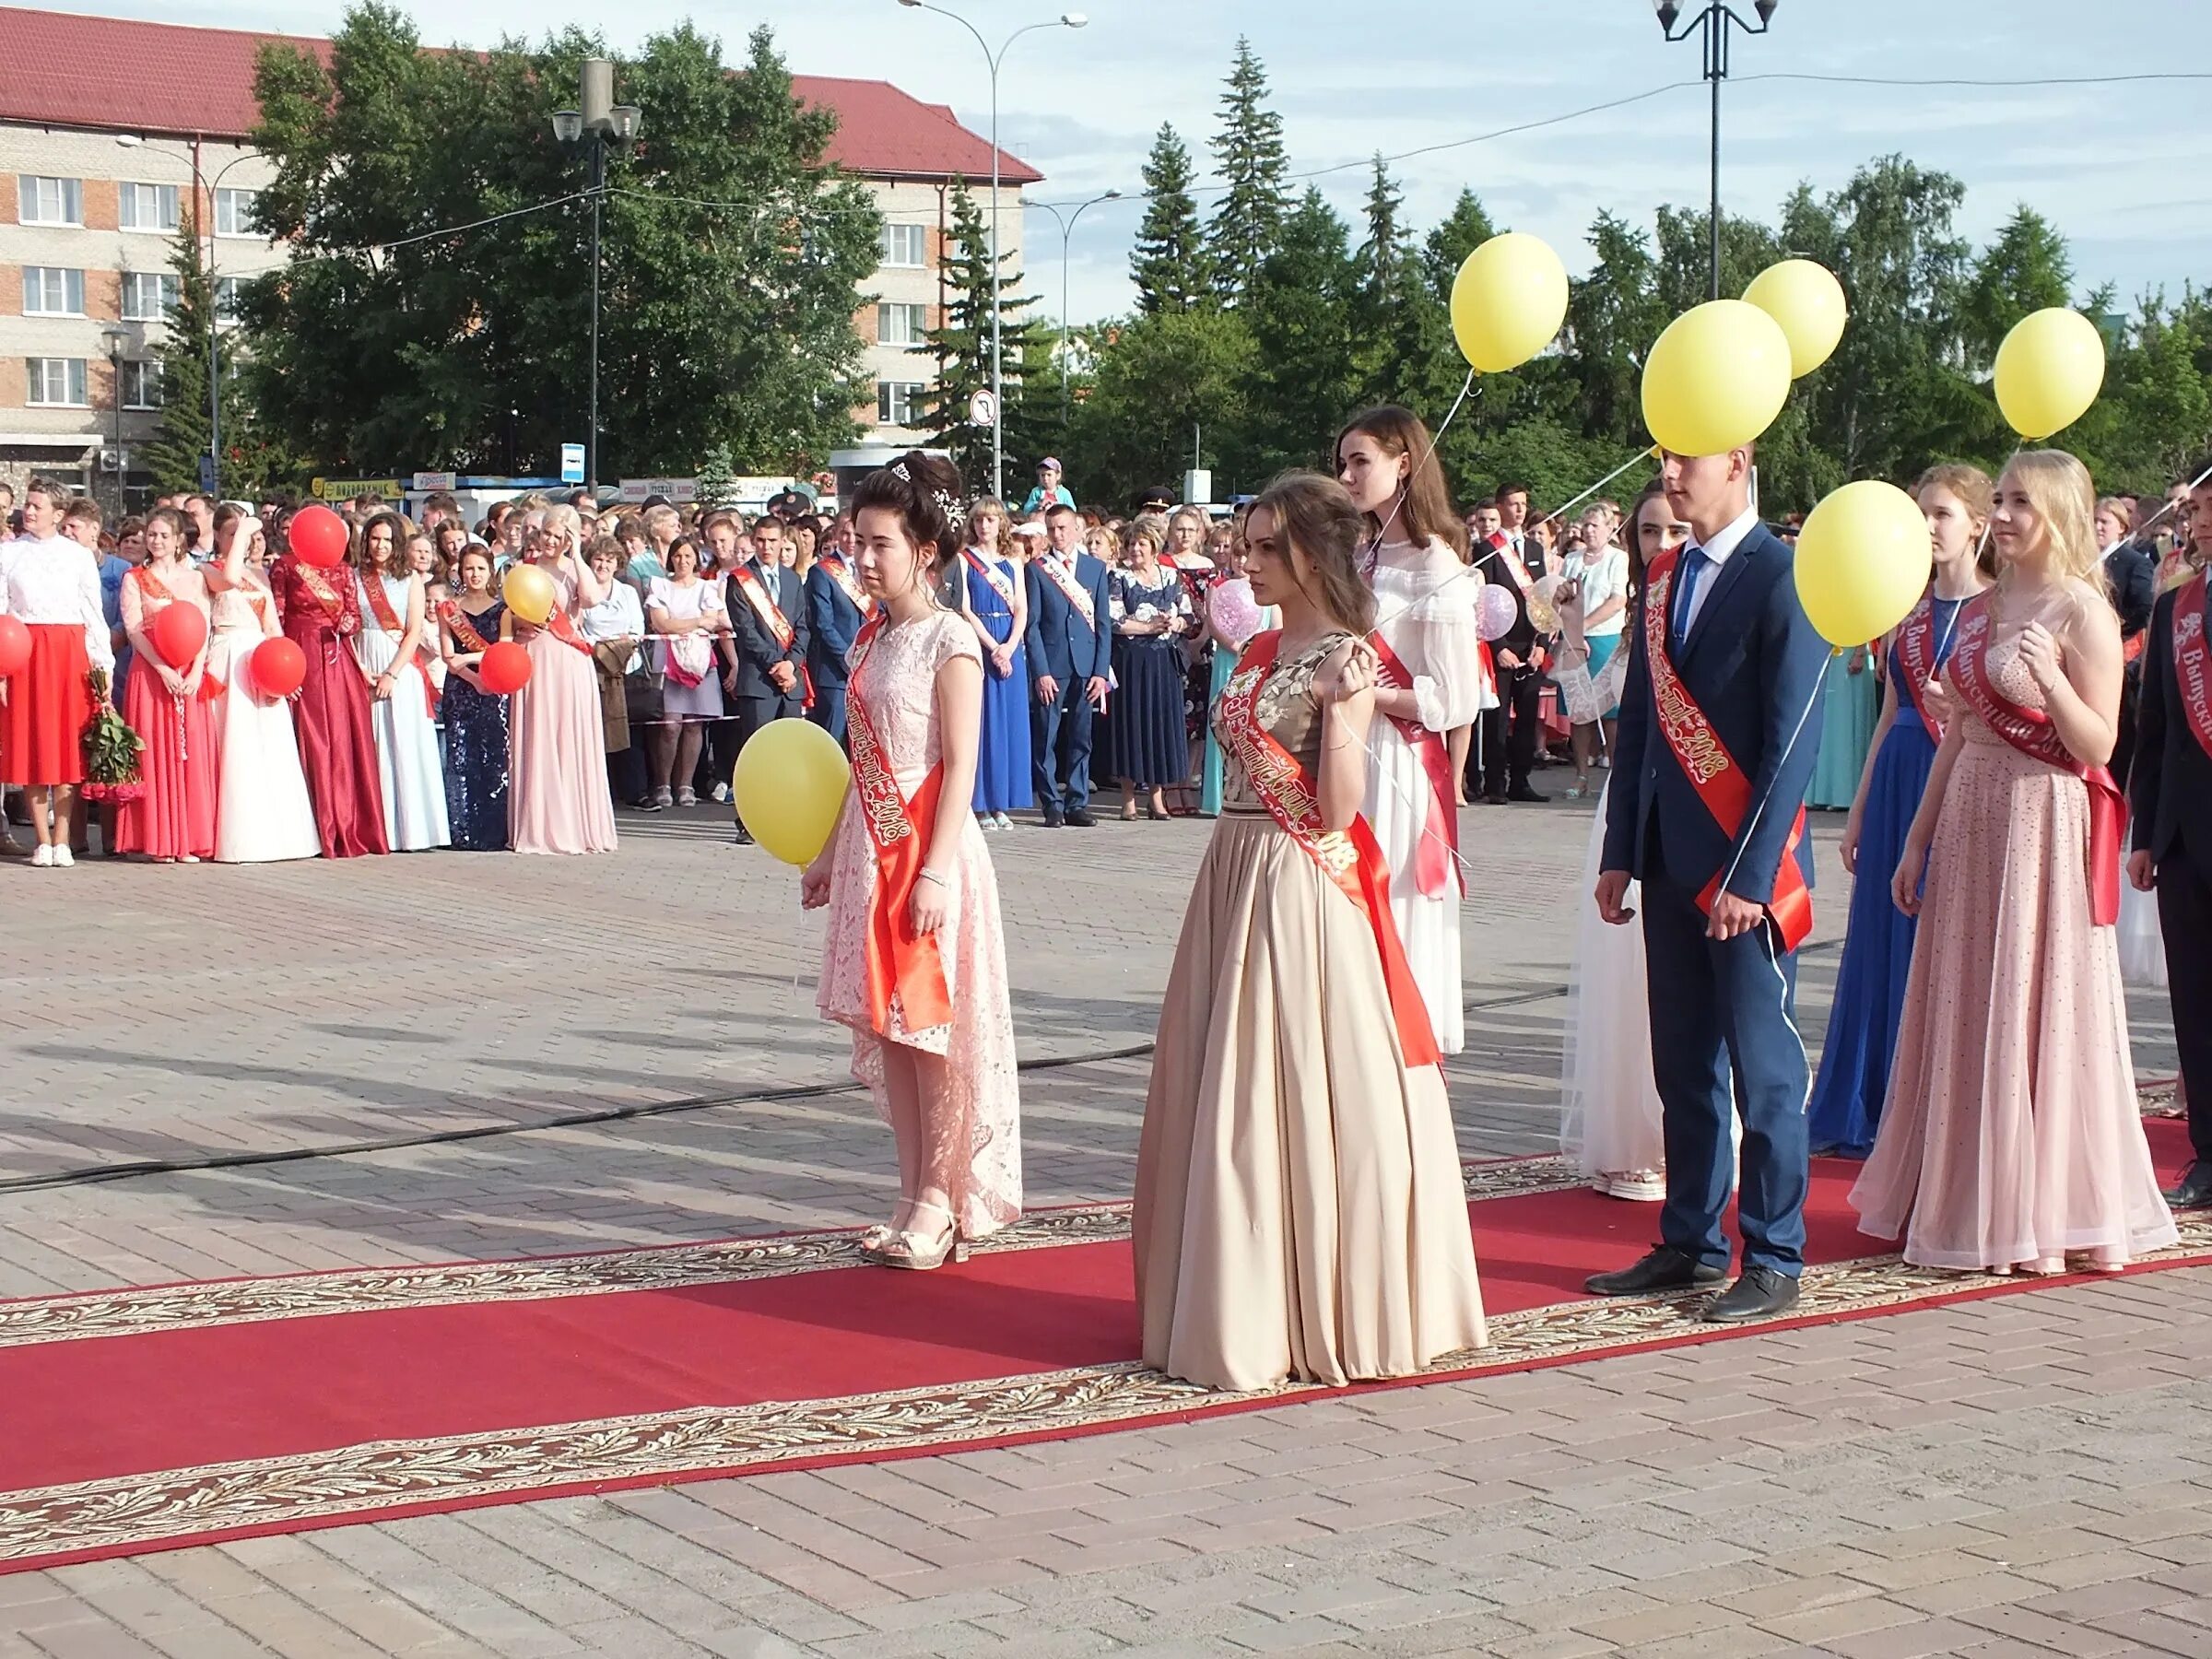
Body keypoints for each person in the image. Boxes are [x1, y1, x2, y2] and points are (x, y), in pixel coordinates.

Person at [1133, 471, 1487, 1391]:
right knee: (1228, 1084)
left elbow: (1335, 812)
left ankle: (1312, 1305)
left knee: (1290, 1084)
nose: (1244, 562)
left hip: (1300, 880)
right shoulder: (1253, 651)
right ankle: (1237, 1297)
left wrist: (1340, 709)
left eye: (1262, 548)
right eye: (1243, 545)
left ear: (1311, 554)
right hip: (1235, 869)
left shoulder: (1351, 655)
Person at [1853, 450, 2176, 1273]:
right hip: (1969, 820)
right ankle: (1960, 1193)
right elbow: (1960, 731)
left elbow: (2102, 743)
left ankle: (2036, 1208)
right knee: (1966, 1002)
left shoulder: (2082, 612)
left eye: (2020, 502)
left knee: (2034, 1007)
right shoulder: (1988, 605)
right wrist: (1918, 838)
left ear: (2061, 510)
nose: (2001, 515)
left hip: (2043, 824)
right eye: (1997, 499)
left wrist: (2050, 682)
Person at [1592, 441, 1830, 1323]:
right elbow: (1645, 728)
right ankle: (1690, 1240)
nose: (1668, 474)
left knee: (1763, 1072)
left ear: (1737, 462)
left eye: (1686, 458)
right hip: (1666, 860)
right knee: (1682, 1062)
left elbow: (1790, 741)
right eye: (1660, 457)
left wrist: (1753, 875)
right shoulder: (1662, 574)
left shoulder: (1783, 573)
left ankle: (1774, 1255)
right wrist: (1622, 848)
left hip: (1745, 874)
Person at [801, 452, 1020, 1269]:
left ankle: (940, 1197)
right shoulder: (869, 640)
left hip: (928, 851)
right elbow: (858, 758)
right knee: (890, 1030)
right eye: (856, 540)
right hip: (869, 845)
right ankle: (907, 1193)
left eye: (879, 543)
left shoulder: (950, 640)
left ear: (923, 550)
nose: (861, 557)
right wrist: (828, 853)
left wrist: (932, 870)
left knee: (930, 1031)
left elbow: (961, 764)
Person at [1807, 465, 1992, 1158]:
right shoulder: (1907, 614)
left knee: (1940, 937)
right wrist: (1857, 809)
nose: (1928, 527)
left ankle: (1935, 1101)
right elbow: (1888, 714)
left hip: (1962, 778)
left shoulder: (1997, 609)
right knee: (1880, 937)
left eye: (1942, 514)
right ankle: (1867, 1097)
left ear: (1976, 523)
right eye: (1921, 513)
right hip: (1898, 778)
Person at [1336, 406, 1483, 1056]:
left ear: (1404, 465)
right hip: (1346, 752)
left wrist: (1372, 694)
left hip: (1398, 766)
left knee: (1393, 904)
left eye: (1359, 461)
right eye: (1342, 462)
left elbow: (1453, 698)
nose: (1346, 475)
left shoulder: (1436, 566)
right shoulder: (1357, 555)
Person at [1559, 488, 1682, 1201]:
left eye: (1672, 527)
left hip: (1699, 797)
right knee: (1624, 977)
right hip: (1631, 804)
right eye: (1646, 530)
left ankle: (1683, 1133)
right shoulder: (1639, 617)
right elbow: (1587, 707)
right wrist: (1575, 626)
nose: (1658, 540)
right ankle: (1635, 1137)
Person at [2133, 465, 2212, 1208]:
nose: (2206, 520)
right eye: (2201, 510)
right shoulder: (2174, 610)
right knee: (2194, 1001)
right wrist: (2143, 832)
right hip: (2186, 834)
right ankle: (2207, 1155)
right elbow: (2151, 730)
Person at [0, 479, 113, 866]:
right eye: (27, 505)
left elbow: (92, 613)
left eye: (37, 506)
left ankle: (63, 838)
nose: (28, 511)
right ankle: (41, 839)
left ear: (58, 514)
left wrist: (103, 665)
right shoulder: (9, 554)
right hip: (25, 652)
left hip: (68, 651)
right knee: (31, 745)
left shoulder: (78, 557)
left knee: (66, 746)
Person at [269, 506, 388, 857]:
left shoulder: (343, 571)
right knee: (314, 737)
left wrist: (347, 624)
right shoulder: (285, 567)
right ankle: (317, 826)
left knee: (344, 735)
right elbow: (276, 615)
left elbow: (353, 613)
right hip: (300, 650)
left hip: (338, 656)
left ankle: (350, 824)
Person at [205, 512, 320, 864]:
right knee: (235, 747)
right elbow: (229, 577)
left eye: (252, 535)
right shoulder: (209, 570)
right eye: (233, 533)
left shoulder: (261, 577)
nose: (247, 539)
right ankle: (236, 838)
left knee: (270, 747)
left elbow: (272, 627)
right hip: (229, 660)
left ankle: (279, 837)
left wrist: (286, 672)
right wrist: (244, 531)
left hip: (263, 661)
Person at [505, 505, 618, 855]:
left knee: (568, 738)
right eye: (546, 533)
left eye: (559, 535)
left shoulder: (575, 571)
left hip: (569, 661)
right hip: (534, 658)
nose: (550, 541)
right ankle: (538, 823)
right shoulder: (525, 570)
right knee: (538, 735)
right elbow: (509, 610)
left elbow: (592, 598)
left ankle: (575, 823)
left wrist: (578, 555)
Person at [115, 505, 218, 863]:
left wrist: (194, 671)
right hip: (152, 673)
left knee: (189, 754)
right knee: (156, 754)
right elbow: (133, 631)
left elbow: (204, 626)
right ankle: (159, 840)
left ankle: (188, 838)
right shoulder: (135, 578)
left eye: (163, 535)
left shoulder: (195, 579)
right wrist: (163, 669)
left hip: (189, 673)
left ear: (177, 541)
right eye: (151, 534)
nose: (155, 541)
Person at [354, 513, 451, 853]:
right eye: (374, 538)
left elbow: (412, 632)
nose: (380, 546)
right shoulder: (354, 578)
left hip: (399, 666)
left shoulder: (409, 580)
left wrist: (392, 673)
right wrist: (361, 667)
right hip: (363, 663)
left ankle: (409, 830)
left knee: (403, 746)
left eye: (387, 540)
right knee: (372, 747)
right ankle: (374, 828)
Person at [1025, 502, 1112, 828]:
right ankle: (1051, 804)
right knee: (1046, 735)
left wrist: (1101, 672)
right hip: (1053, 664)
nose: (1057, 534)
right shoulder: (1037, 569)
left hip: (1086, 666)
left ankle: (1077, 802)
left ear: (1077, 529)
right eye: (1051, 529)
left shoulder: (1095, 569)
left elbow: (1103, 624)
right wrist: (1041, 671)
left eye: (1063, 528)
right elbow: (1031, 625)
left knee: (1081, 736)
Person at [725, 513, 810, 845]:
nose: (766, 547)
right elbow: (745, 631)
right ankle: (748, 821)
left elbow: (803, 626)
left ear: (781, 542)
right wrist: (777, 664)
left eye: (773, 541)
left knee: (787, 755)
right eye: (760, 540)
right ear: (753, 540)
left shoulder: (792, 580)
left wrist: (792, 664)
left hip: (788, 682)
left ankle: (785, 817)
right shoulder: (740, 580)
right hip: (759, 681)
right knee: (756, 756)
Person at [1103, 522, 1193, 821]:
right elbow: (1114, 620)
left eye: (1141, 544)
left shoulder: (1170, 575)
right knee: (1132, 726)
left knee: (1159, 727)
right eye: (1131, 544)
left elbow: (1189, 614)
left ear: (1154, 547)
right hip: (1131, 662)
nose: (1135, 549)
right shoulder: (1119, 577)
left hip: (1163, 662)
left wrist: (1176, 623)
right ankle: (1128, 799)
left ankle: (1157, 798)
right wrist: (1147, 627)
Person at [957, 497, 1031, 830]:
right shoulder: (964, 560)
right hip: (981, 640)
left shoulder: (1013, 559)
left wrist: (1010, 646)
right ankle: (980, 803)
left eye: (990, 520)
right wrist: (993, 647)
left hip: (1009, 643)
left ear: (1001, 523)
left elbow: (1022, 608)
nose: (984, 526)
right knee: (983, 722)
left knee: (1009, 724)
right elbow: (964, 608)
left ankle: (1003, 801)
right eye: (979, 520)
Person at [437, 545, 512, 851]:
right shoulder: (449, 609)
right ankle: (462, 830)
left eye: (481, 568)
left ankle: (494, 830)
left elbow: (504, 650)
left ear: (490, 570)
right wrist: (472, 675)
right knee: (461, 757)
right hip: (461, 689)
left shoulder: (503, 610)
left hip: (493, 688)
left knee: (493, 758)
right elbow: (448, 656)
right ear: (460, 571)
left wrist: (474, 665)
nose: (475, 574)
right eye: (469, 568)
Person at [644, 535, 726, 809]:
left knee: (694, 726)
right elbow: (662, 623)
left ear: (696, 559)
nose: (683, 561)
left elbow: (714, 621)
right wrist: (696, 622)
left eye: (688, 556)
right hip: (670, 663)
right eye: (678, 556)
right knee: (669, 726)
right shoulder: (660, 586)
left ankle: (686, 785)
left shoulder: (706, 587)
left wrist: (688, 624)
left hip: (700, 662)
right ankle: (663, 783)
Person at [805, 512, 868, 746]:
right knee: (832, 741)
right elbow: (823, 624)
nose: (851, 539)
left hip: (868, 669)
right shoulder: (822, 572)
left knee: (863, 745)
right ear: (835, 534)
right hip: (835, 673)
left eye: (856, 534)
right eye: (845, 533)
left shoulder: (870, 567)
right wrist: (850, 659)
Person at [1806, 637, 1879, 810]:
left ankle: (1846, 794)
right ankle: (1823, 794)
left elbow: (1865, 617)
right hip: (1827, 650)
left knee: (1844, 726)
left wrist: (1860, 652)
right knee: (1827, 723)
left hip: (1851, 651)